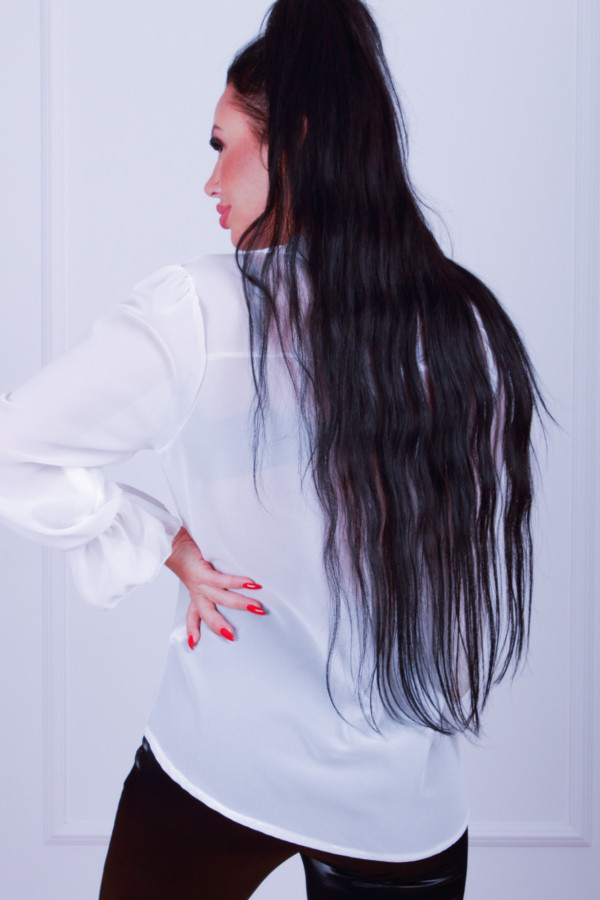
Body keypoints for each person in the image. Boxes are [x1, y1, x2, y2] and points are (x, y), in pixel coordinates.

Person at [0, 1, 543, 897]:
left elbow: (14, 446)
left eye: (222, 147)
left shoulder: (199, 313)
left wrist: (161, 542)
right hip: (400, 803)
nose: (208, 183)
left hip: (223, 767)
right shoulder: (466, 328)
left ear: (293, 143)